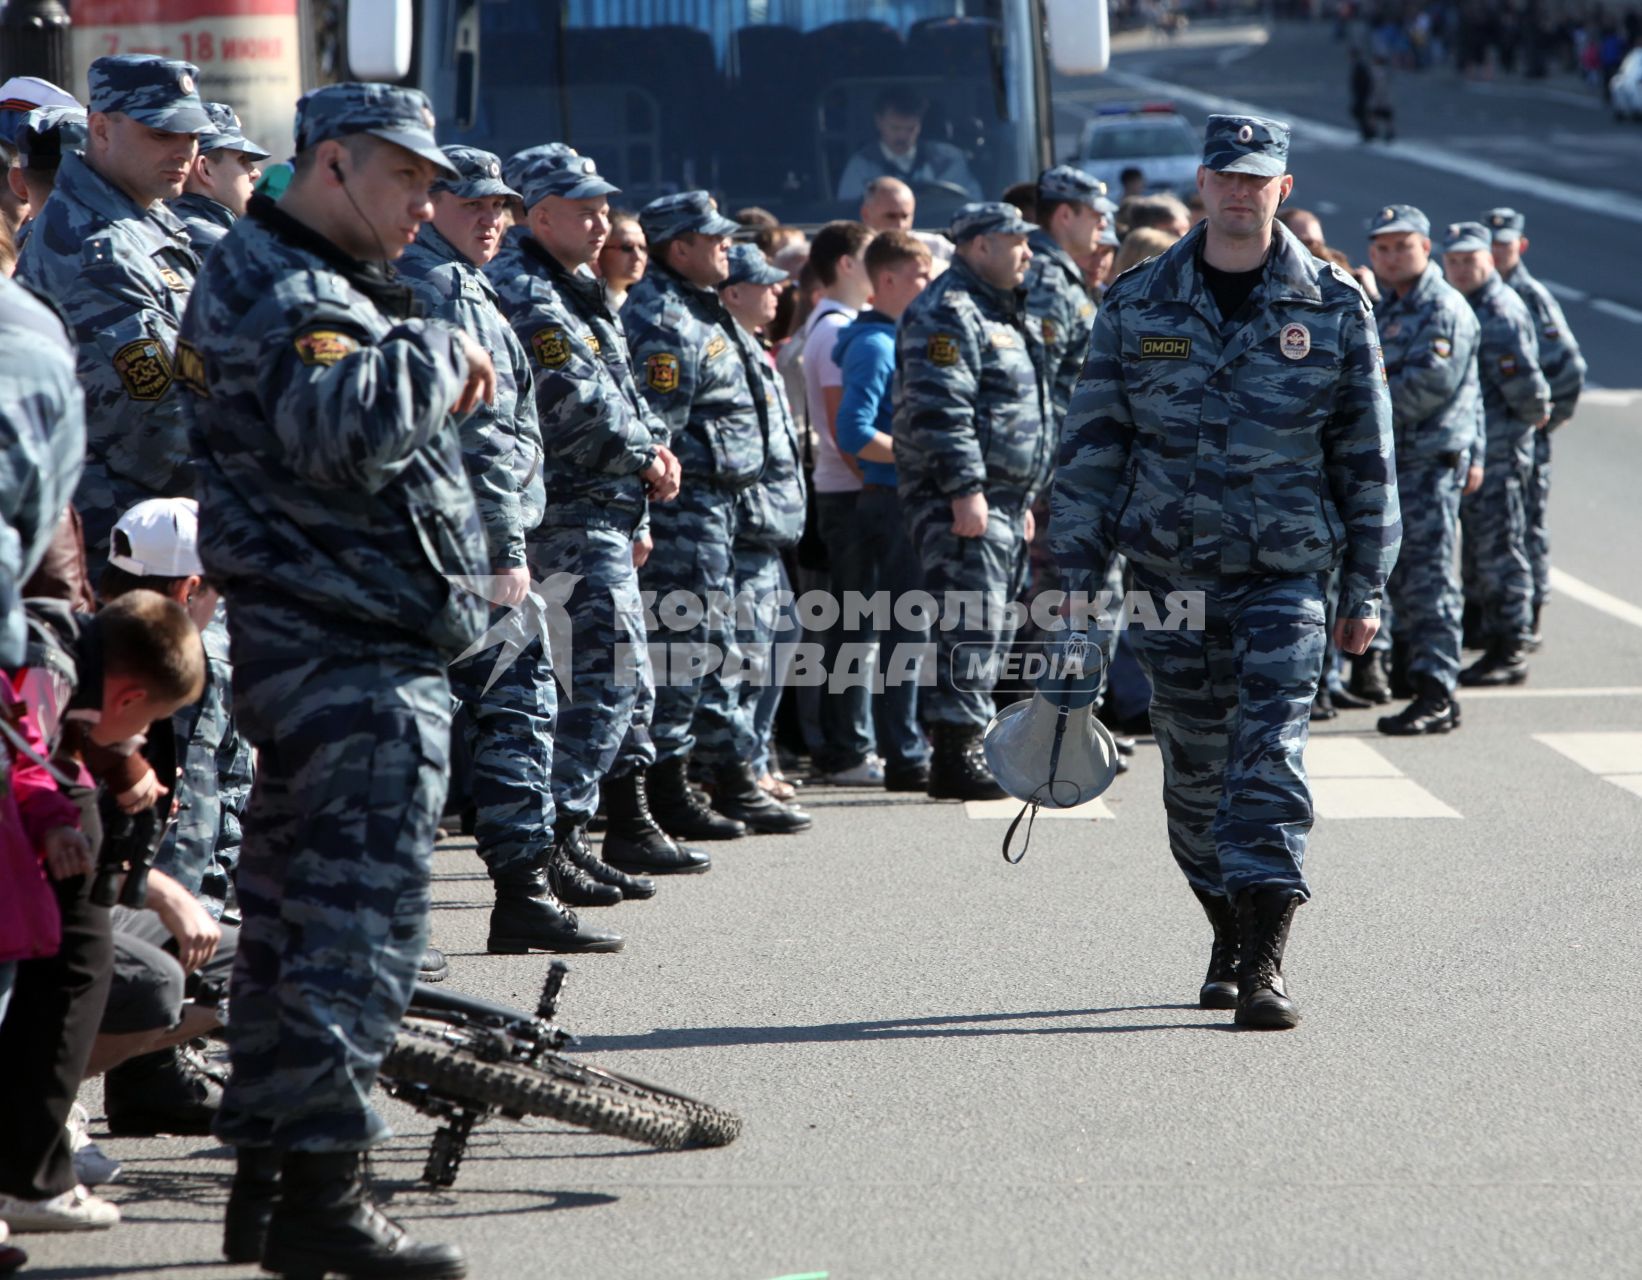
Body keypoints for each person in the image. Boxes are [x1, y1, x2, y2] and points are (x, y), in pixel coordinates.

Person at [177, 81, 494, 1277]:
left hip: (324, 646)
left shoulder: (290, 270)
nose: (428, 203)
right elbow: (339, 432)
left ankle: (269, 1183)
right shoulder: (301, 288)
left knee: (293, 922)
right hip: (345, 655)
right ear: (334, 165)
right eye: (408, 178)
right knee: (354, 937)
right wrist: (436, 342)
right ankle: (323, 1195)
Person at [1049, 114, 1399, 1030]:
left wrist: (1366, 588)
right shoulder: (1136, 304)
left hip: (1285, 576)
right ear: (1201, 187)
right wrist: (1072, 584)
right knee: (1194, 778)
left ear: (1284, 189)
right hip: (1167, 579)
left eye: (1258, 178)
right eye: (1225, 177)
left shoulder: (1332, 303)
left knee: (1268, 757)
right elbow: (1091, 452)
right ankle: (1226, 931)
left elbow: (1368, 456)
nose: (1240, 192)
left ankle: (1267, 962)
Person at [400, 146, 632, 952]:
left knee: (485, 710)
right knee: (506, 704)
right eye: (474, 207)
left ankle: (519, 890)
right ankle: (514, 891)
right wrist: (504, 547)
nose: (492, 221)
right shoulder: (441, 287)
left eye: (500, 207)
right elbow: (482, 438)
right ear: (429, 204)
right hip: (463, 544)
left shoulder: (459, 281)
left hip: (456, 538)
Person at [489, 150, 715, 916]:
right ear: (540, 213)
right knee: (600, 682)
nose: (602, 224)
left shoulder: (577, 287)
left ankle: (588, 832)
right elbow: (572, 401)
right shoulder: (525, 289)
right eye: (583, 211)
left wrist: (641, 501)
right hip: (566, 518)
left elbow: (624, 391)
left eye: (603, 209)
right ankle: (555, 839)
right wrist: (646, 456)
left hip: (606, 513)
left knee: (623, 685)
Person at [0, 591, 205, 1233]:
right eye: (147, 725)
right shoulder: (47, 669)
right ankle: (28, 1180)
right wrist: (60, 818)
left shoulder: (59, 659)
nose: (137, 744)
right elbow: (26, 755)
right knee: (64, 974)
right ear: (125, 701)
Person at [625, 192, 807, 837]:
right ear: (681, 249)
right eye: (716, 240)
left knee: (714, 647)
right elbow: (656, 436)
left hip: (719, 510)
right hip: (684, 510)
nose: (728, 248)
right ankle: (676, 788)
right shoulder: (665, 320)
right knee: (684, 650)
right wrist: (647, 520)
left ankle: (726, 776)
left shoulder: (703, 312)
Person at [14, 56, 214, 578]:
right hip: (126, 548)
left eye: (191, 134)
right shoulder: (96, 249)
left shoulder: (141, 215)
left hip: (165, 535)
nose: (183, 149)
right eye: (160, 132)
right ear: (101, 129)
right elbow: (160, 430)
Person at [895, 202, 1052, 801]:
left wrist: (1024, 496)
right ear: (978, 246)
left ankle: (973, 743)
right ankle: (956, 754)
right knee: (969, 621)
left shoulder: (998, 309)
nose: (1028, 252)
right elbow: (941, 410)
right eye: (1016, 241)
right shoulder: (948, 310)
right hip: (963, 499)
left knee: (991, 623)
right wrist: (965, 489)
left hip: (1005, 499)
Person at [700, 244, 816, 816]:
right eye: (763, 284)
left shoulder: (754, 348)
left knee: (780, 640)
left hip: (770, 530)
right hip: (744, 530)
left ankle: (757, 756)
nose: (778, 292)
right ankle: (738, 766)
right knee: (744, 657)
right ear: (733, 293)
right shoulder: (721, 346)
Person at [1366, 205, 1480, 736]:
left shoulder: (1443, 307)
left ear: (1426, 247)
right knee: (1400, 579)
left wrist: (1356, 409)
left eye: (1403, 245)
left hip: (1428, 465)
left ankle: (1437, 692)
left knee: (1429, 579)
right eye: (1383, 248)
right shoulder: (1387, 306)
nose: (1392, 256)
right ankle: (1418, 680)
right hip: (1395, 464)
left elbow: (1427, 386)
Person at [832, 230, 935, 793]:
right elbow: (853, 429)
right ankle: (905, 750)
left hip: (896, 499)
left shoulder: (894, 336)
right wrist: (918, 457)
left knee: (905, 629)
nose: (927, 285)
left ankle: (907, 741)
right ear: (888, 280)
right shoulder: (876, 344)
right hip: (894, 501)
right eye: (919, 276)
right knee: (905, 631)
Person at [1443, 220, 1550, 690]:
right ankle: (1491, 635)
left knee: (1502, 551)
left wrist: (1527, 428)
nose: (1463, 269)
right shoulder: (1466, 303)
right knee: (1481, 553)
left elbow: (1527, 388)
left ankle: (1511, 646)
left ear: (1490, 260)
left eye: (1471, 261)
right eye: (1455, 262)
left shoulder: (1499, 310)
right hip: (1479, 448)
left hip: (1502, 449)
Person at [799, 220, 882, 787]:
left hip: (847, 494)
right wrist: (877, 481)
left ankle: (846, 742)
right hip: (850, 496)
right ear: (847, 264)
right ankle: (848, 749)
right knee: (858, 627)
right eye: (869, 255)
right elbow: (840, 429)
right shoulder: (834, 331)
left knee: (854, 625)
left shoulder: (834, 325)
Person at [1481, 207, 1586, 648]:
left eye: (1504, 246)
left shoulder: (1528, 296)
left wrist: (1543, 422)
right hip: (1495, 436)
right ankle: (1490, 618)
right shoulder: (1477, 291)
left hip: (1524, 434)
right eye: (1489, 245)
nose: (1495, 252)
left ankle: (1529, 618)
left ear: (1519, 247)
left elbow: (1568, 370)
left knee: (1526, 528)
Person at [835, 88, 981, 202]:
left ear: (920, 124)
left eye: (910, 128)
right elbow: (851, 216)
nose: (903, 136)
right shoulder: (861, 167)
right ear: (879, 122)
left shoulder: (948, 160)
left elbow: (972, 204)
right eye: (895, 128)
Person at [169, 101, 270, 255]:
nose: (255, 173)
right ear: (205, 169)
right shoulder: (221, 247)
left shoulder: (167, 225)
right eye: (242, 160)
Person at [596, 209, 647, 311]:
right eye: (627, 248)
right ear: (600, 250)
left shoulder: (642, 304)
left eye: (642, 248)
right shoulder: (587, 303)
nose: (638, 256)